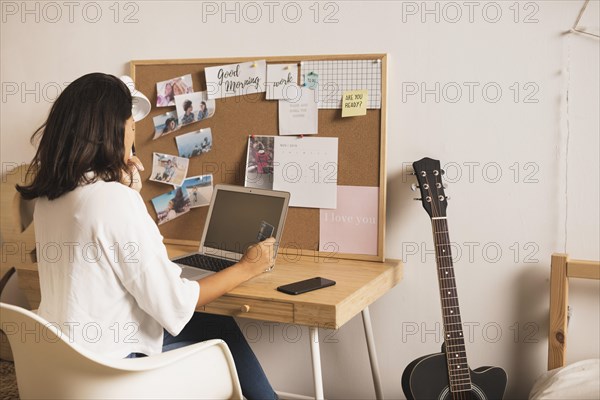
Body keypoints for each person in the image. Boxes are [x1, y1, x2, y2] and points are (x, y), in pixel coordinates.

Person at [16, 73, 278, 400]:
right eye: (131, 126)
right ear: (111, 131)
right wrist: (247, 268)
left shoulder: (48, 198)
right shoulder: (112, 200)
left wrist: (127, 190)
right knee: (221, 329)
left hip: (62, 363)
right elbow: (175, 303)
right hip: (109, 374)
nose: (132, 136)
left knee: (208, 325)